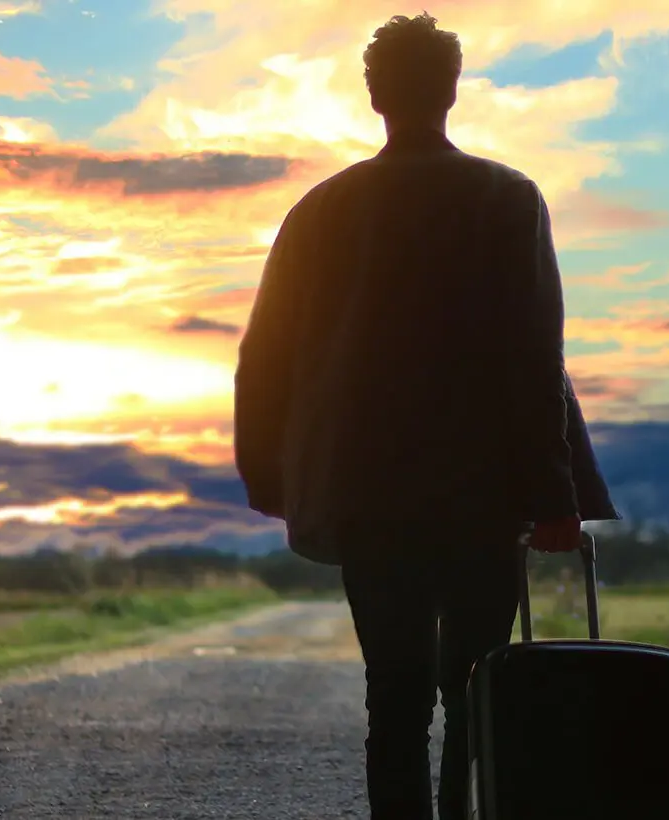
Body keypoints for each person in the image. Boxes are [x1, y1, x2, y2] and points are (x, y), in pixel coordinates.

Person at [231, 12, 620, 820]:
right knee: (479, 689)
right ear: (452, 90)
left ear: (374, 97)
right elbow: (532, 353)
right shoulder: (505, 196)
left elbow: (264, 354)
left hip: (364, 490)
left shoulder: (320, 209)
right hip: (483, 490)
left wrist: (272, 477)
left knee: (395, 698)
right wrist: (554, 495)